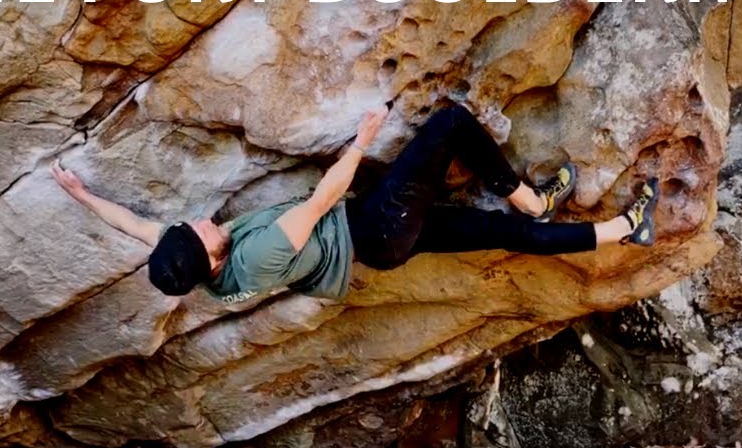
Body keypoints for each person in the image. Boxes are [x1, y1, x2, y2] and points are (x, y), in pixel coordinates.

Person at [51, 105, 659, 304]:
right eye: (203, 232)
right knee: (447, 123)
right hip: (374, 225)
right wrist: (365, 137)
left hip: (379, 243)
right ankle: (529, 199)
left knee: (500, 238)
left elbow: (137, 228)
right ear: (213, 262)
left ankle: (624, 230)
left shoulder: (192, 266)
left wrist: (81, 194)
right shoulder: (259, 251)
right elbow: (323, 196)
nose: (203, 221)